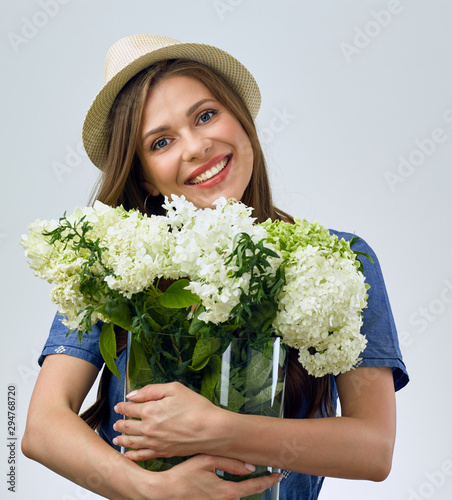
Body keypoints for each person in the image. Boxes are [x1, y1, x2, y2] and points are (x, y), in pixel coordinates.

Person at [22, 34, 409, 500]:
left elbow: (373, 449)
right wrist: (154, 491)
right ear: (145, 176)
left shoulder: (340, 260)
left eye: (205, 115)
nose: (196, 146)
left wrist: (218, 429)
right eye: (161, 141)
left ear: (241, 122)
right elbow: (42, 428)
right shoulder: (113, 263)